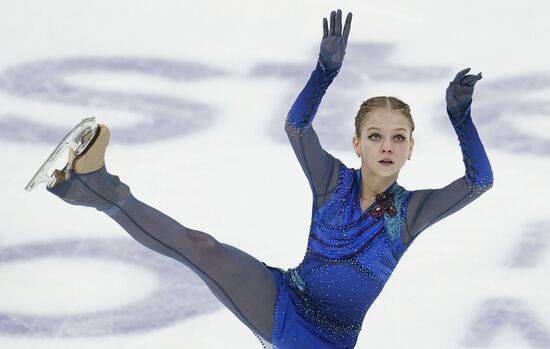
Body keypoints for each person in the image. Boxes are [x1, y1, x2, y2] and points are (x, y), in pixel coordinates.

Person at [41, 8, 493, 349]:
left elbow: (479, 181)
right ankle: (97, 186)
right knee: (202, 248)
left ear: (412, 147)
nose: (387, 146)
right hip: (283, 294)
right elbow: (297, 127)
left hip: (327, 342)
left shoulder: (411, 212)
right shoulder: (332, 180)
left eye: (399, 137)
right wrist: (324, 73)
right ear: (357, 144)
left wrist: (461, 119)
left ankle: (90, 189)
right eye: (375, 136)